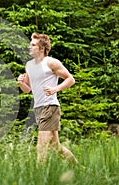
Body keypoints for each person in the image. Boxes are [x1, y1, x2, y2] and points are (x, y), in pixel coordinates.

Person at [18, 32, 78, 164]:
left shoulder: (51, 62)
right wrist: (21, 83)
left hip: (50, 106)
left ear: (42, 48)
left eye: (33, 45)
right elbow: (28, 90)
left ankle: (39, 177)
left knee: (41, 145)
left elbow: (70, 79)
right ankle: (80, 169)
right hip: (38, 108)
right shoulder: (29, 65)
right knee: (55, 146)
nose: (30, 47)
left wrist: (56, 89)